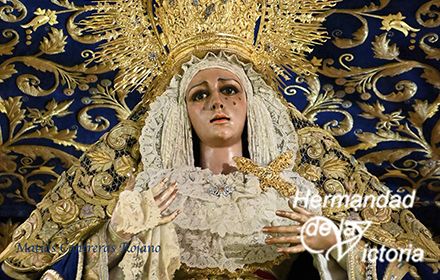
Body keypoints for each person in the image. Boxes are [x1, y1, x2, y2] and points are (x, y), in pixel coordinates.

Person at [2, 50, 440, 280]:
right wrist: (117, 235)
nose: (217, 101)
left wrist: (334, 242)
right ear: (183, 114)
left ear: (252, 106)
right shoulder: (151, 189)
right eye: (200, 94)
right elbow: (75, 265)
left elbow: (402, 265)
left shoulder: (295, 189)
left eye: (230, 89)